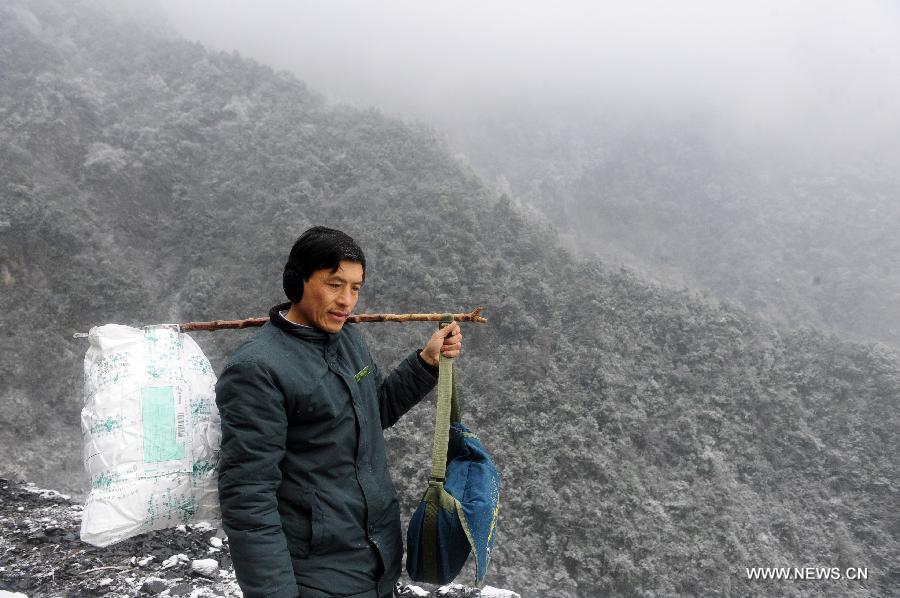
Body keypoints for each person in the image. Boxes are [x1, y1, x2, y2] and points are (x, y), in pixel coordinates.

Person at [215, 226, 463, 598]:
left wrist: (426, 362)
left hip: (376, 561)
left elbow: (374, 410)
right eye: (334, 284)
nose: (347, 300)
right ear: (296, 282)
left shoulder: (348, 340)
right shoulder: (257, 370)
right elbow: (248, 497)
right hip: (317, 575)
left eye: (356, 287)